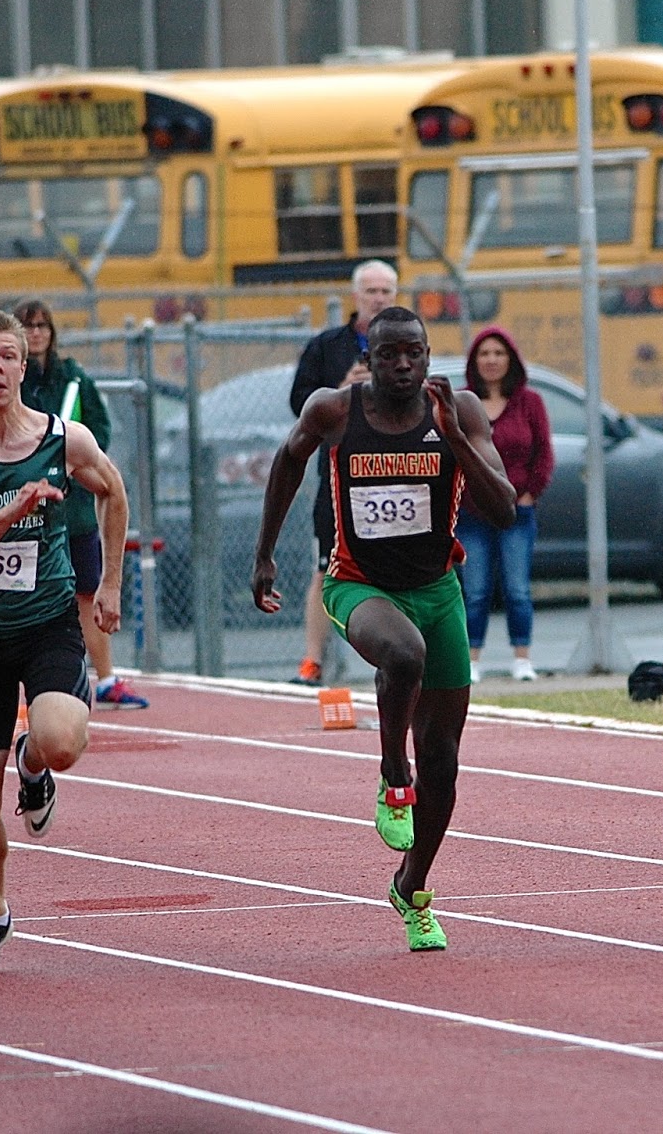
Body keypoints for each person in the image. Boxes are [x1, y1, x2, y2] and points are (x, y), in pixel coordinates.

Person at [253, 307, 515, 951]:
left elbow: (504, 509)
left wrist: (454, 438)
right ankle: (392, 770)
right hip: (358, 584)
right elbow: (288, 463)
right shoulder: (335, 411)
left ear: (429, 357)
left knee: (447, 765)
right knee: (402, 655)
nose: (404, 365)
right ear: (369, 355)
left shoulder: (461, 413)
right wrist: (265, 554)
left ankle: (413, 886)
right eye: (391, 353)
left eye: (415, 354)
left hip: (436, 590)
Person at [0, 310, 130, 972]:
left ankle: (32, 765)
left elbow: (113, 491)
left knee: (62, 740)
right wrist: (10, 511)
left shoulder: (63, 438)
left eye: (9, 356)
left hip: (47, 626)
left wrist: (113, 585)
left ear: (24, 366)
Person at [15, 298, 147, 709]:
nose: (36, 333)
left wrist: (75, 462)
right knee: (29, 594)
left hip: (74, 510)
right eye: (29, 326)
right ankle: (30, 682)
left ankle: (105, 677)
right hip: (27, 511)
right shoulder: (13, 382)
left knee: (88, 592)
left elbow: (99, 429)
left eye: (43, 326)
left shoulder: (71, 377)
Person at [287, 259, 399, 687]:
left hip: (392, 470)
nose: (379, 299)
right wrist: (342, 390)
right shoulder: (326, 346)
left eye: (387, 291)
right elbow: (300, 404)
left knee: (395, 566)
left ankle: (395, 656)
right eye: (372, 291)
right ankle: (312, 661)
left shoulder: (406, 342)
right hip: (338, 475)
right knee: (327, 566)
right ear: (357, 296)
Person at [458, 327, 553, 683]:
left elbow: (543, 454)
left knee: (517, 588)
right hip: (471, 514)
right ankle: (471, 660)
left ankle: (522, 658)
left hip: (517, 513)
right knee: (476, 590)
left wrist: (529, 493)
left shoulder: (530, 403)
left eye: (498, 353)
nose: (492, 360)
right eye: (484, 354)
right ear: (475, 361)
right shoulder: (463, 401)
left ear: (510, 359)